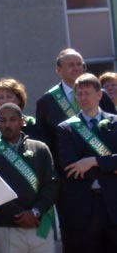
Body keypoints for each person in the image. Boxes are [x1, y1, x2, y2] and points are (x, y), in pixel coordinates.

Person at [0, 103, 60, 253]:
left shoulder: (40, 149)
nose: (7, 124)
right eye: (3, 120)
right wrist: (20, 215)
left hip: (40, 225)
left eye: (13, 119)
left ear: (22, 121)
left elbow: (52, 184)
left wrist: (36, 211)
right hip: (6, 228)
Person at [56, 73, 117, 252]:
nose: (82, 97)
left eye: (87, 93)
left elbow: (84, 165)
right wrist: (110, 167)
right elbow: (70, 166)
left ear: (99, 95)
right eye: (79, 94)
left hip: (113, 202)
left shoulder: (115, 122)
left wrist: (93, 161)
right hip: (84, 204)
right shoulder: (66, 128)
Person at [36, 48, 116, 170]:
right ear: (58, 70)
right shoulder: (47, 101)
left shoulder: (101, 95)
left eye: (79, 64)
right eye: (71, 65)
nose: (76, 68)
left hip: (106, 171)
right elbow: (45, 140)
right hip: (69, 172)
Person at [0, 77, 38, 151]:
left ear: (19, 100)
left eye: (9, 97)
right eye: (1, 98)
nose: (5, 101)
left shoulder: (31, 125)